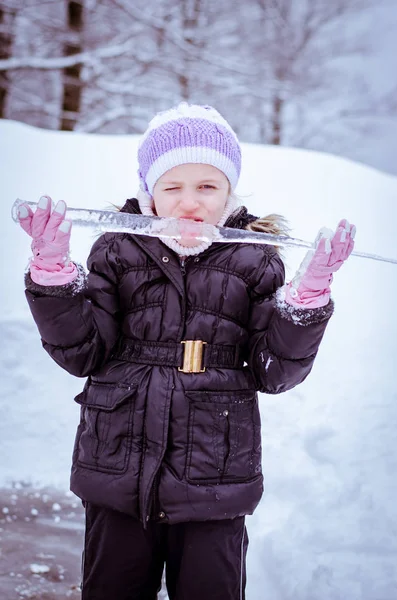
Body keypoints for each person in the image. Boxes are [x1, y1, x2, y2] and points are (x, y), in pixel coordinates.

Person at [18, 102, 355, 600]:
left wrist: (303, 302)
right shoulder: (117, 249)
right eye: (171, 187)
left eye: (207, 186)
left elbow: (275, 370)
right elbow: (82, 354)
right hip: (117, 463)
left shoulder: (254, 260)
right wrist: (54, 279)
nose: (188, 202)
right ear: (149, 192)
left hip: (215, 472)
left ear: (229, 192)